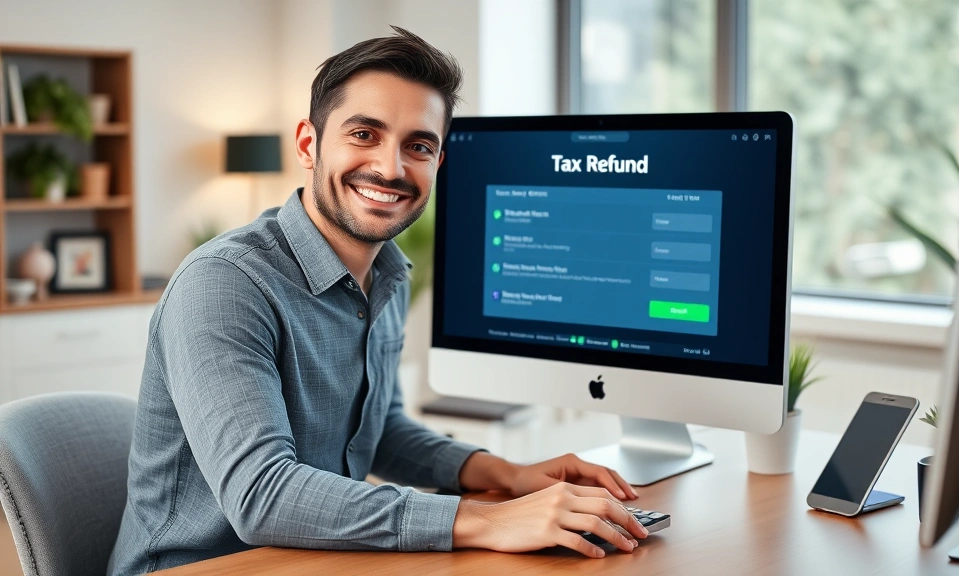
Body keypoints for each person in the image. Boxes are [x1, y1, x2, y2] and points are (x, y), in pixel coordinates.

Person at [107, 27, 648, 575]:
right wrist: (488, 520)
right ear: (308, 144)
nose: (391, 169)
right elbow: (262, 495)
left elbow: (378, 430)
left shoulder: (386, 274)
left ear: (438, 163)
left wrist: (509, 476)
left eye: (419, 145)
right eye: (364, 133)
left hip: (314, 558)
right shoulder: (224, 283)